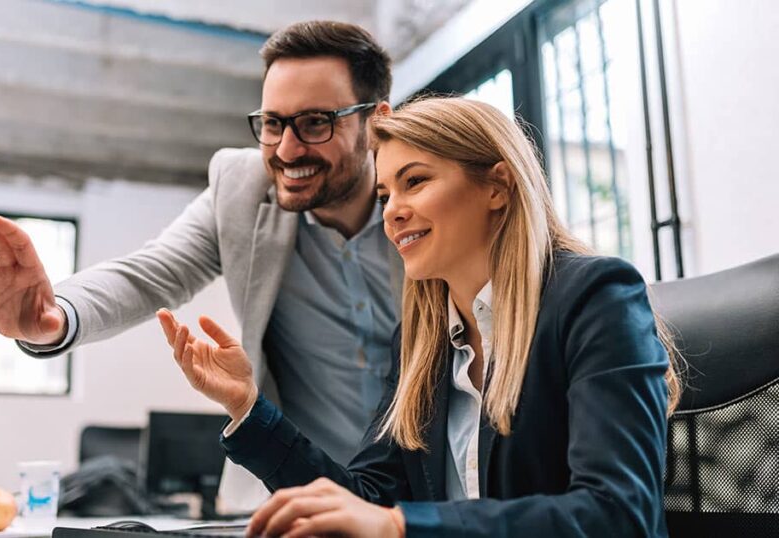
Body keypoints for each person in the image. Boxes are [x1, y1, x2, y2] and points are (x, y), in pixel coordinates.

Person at [155, 96, 682, 537]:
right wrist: (249, 406)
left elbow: (619, 515)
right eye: (385, 193)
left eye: (416, 182)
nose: (392, 210)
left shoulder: (596, 299)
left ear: (497, 186)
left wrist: (401, 527)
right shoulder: (421, 342)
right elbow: (364, 500)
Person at [0, 21, 401, 507]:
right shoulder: (242, 190)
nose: (286, 149)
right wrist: (54, 315)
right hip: (298, 494)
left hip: (428, 493)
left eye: (315, 123)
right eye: (271, 123)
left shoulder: (427, 201)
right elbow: (149, 273)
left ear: (376, 122)